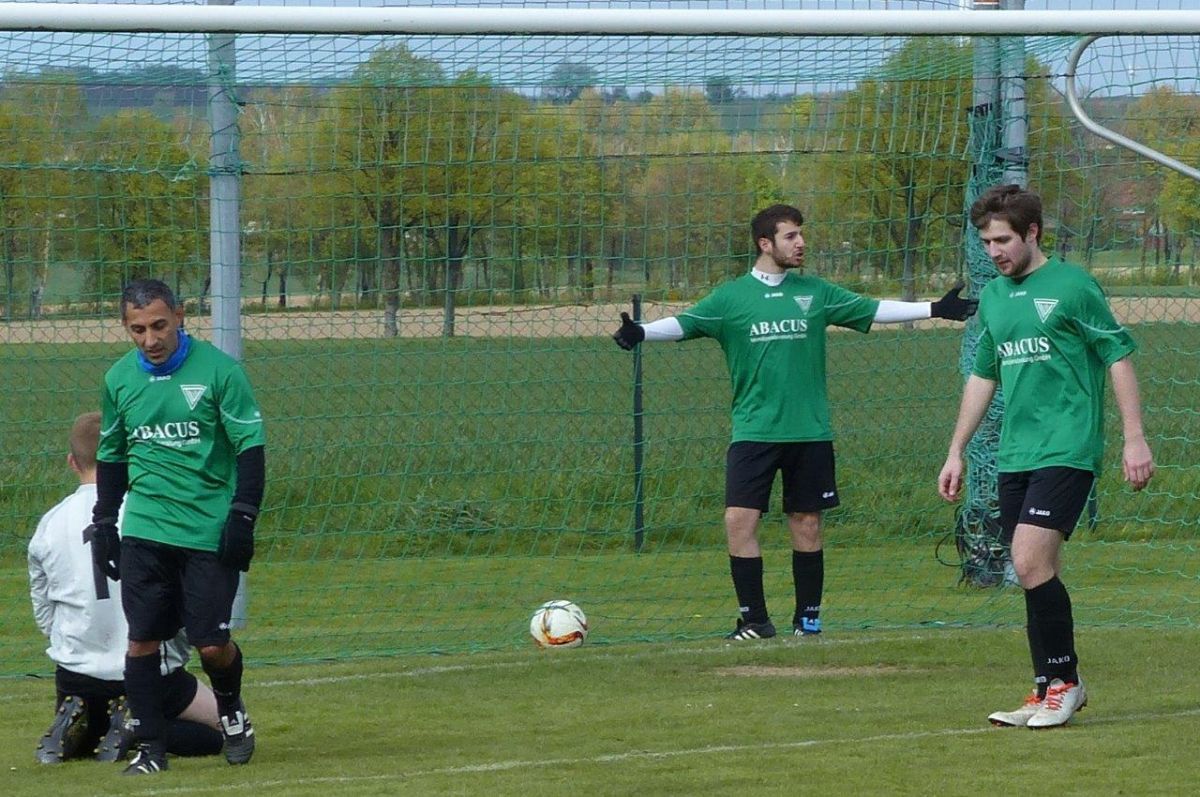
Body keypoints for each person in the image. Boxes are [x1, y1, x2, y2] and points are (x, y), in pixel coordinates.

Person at [612, 204, 977, 641]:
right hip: (753, 433)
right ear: (765, 244)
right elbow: (685, 323)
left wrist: (935, 307)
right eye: (790, 236)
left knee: (807, 523)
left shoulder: (815, 292)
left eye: (801, 234)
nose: (801, 242)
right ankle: (755, 621)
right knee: (738, 520)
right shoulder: (731, 298)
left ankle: (808, 620)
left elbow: (873, 308)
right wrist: (641, 331)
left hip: (809, 432)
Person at [937, 184, 1154, 729]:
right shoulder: (994, 298)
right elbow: (983, 375)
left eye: (1002, 240)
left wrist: (1134, 437)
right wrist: (956, 450)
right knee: (1034, 568)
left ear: (1032, 233)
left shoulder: (1073, 286)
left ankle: (1065, 683)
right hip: (1015, 454)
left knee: (1030, 561)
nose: (993, 252)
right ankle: (1044, 688)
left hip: (1067, 447)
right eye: (986, 242)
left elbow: (1118, 357)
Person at [88, 278, 266, 774]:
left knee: (211, 644)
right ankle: (152, 751)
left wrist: (243, 515)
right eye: (138, 329)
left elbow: (250, 449)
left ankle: (230, 706)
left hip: (206, 531)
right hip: (145, 528)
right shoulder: (118, 379)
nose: (150, 339)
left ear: (181, 316)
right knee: (142, 639)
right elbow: (112, 454)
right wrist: (105, 520)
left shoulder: (220, 372)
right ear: (126, 327)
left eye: (159, 326)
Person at [29, 411, 224, 765]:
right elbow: (177, 605)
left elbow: (43, 611)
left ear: (72, 461)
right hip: (145, 673)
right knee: (223, 731)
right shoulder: (149, 513)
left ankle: (87, 724)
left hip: (74, 676)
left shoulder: (50, 523)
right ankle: (134, 726)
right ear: (127, 456)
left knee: (96, 719)